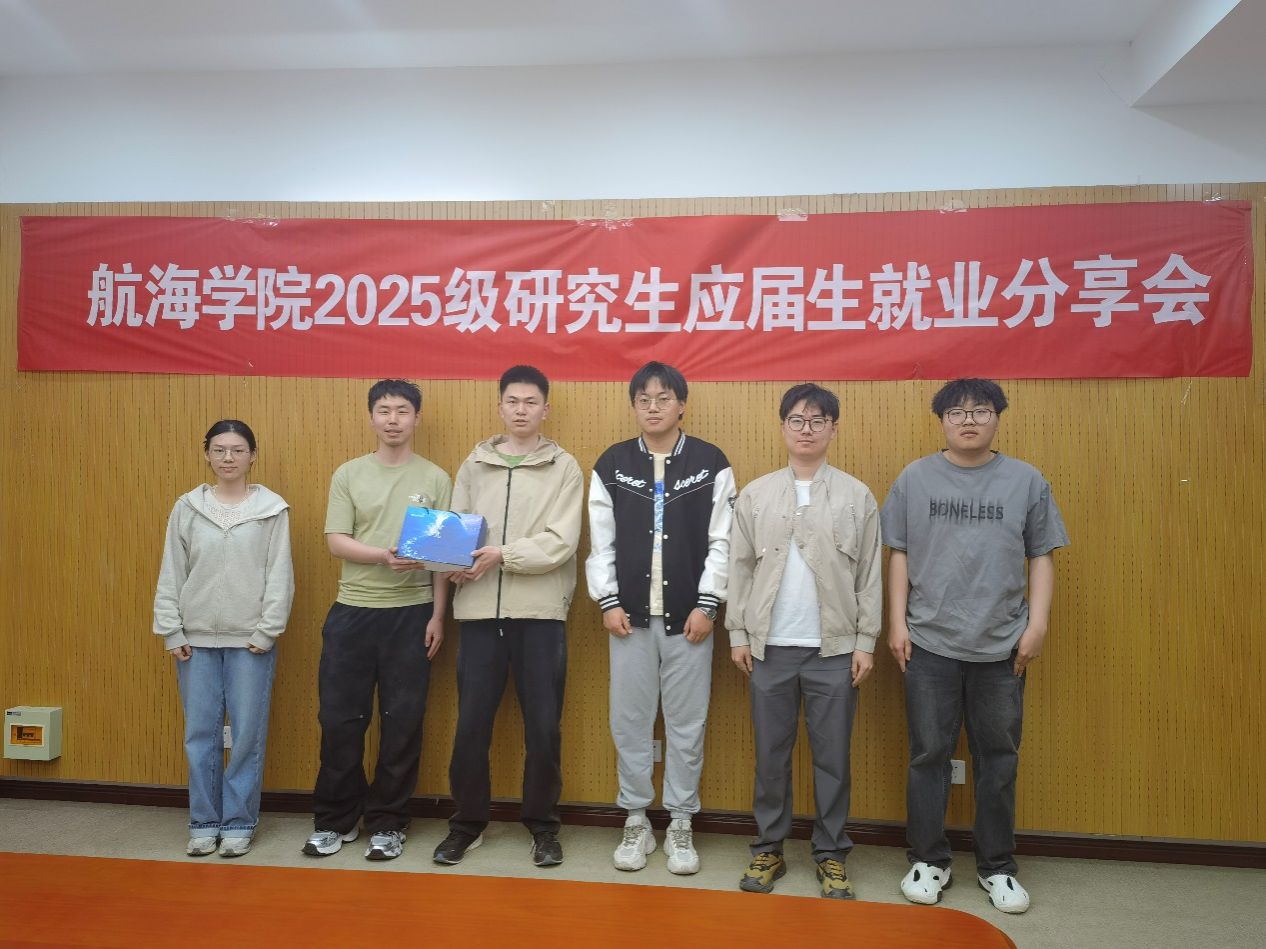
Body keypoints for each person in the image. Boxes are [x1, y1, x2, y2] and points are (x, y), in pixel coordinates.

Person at [882, 378, 1069, 914]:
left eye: (980, 411)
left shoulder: (1026, 480)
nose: (968, 420)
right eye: (957, 412)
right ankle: (928, 860)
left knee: (999, 758)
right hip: (928, 641)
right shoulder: (915, 478)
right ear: (942, 420)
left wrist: (1037, 625)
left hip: (1002, 645)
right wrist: (896, 623)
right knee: (927, 755)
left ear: (997, 418)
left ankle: (997, 866)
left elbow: (1041, 555)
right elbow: (898, 553)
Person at [727, 384, 881, 899]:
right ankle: (768, 848)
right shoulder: (757, 494)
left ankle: (831, 853)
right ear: (783, 427)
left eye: (818, 420)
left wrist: (865, 640)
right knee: (770, 756)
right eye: (797, 420)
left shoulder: (857, 496)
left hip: (833, 650)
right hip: (769, 648)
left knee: (832, 759)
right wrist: (738, 632)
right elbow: (739, 569)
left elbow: (869, 574)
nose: (807, 429)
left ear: (833, 429)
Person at [587, 361, 736, 874]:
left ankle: (680, 821)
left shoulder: (710, 462)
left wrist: (708, 603)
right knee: (629, 722)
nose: (653, 407)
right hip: (628, 618)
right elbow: (601, 543)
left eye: (663, 397)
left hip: (690, 620)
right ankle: (635, 819)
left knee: (687, 724)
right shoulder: (612, 463)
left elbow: (723, 541)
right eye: (644, 399)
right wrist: (607, 601)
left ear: (681, 405)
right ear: (634, 406)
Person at [431, 365, 583, 869]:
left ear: (545, 409)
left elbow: (561, 543)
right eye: (513, 401)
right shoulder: (474, 465)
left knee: (543, 728)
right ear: (500, 406)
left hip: (540, 614)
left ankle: (543, 827)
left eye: (530, 402)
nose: (521, 410)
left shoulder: (564, 467)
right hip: (478, 614)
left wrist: (502, 554)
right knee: (471, 726)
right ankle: (466, 825)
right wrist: (449, 560)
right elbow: (455, 532)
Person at [303, 379, 451, 862]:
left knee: (402, 722)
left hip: (412, 615)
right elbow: (336, 540)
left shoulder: (435, 478)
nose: (393, 419)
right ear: (371, 417)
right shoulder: (349, 473)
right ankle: (335, 820)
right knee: (340, 721)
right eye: (384, 410)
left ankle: (388, 822)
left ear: (416, 418)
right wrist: (382, 556)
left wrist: (438, 616)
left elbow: (441, 557)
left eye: (402, 410)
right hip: (353, 611)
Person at [153, 419, 294, 858]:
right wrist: (171, 629)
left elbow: (280, 575)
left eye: (237, 450)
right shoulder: (188, 507)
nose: (228, 458)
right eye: (219, 450)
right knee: (200, 734)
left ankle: (238, 823)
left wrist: (267, 630)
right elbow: (171, 571)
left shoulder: (272, 509)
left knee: (247, 734)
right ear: (207, 455)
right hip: (193, 641)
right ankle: (203, 822)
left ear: (253, 456)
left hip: (250, 641)